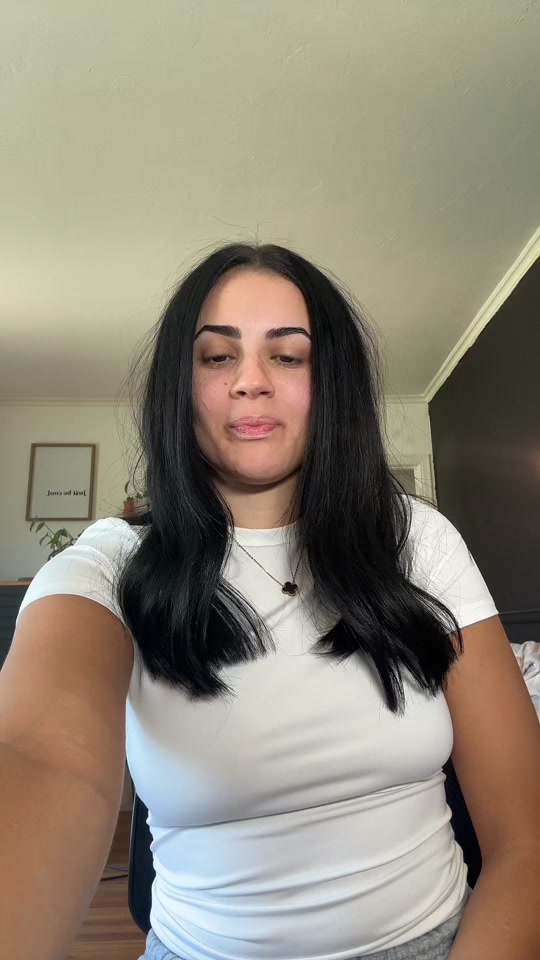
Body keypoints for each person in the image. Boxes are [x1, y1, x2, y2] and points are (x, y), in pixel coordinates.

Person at [1, 244, 539, 960]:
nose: (250, 381)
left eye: (288, 356)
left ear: (333, 383)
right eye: (217, 357)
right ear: (179, 385)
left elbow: (526, 839)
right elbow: (40, 755)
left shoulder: (418, 540)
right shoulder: (110, 566)